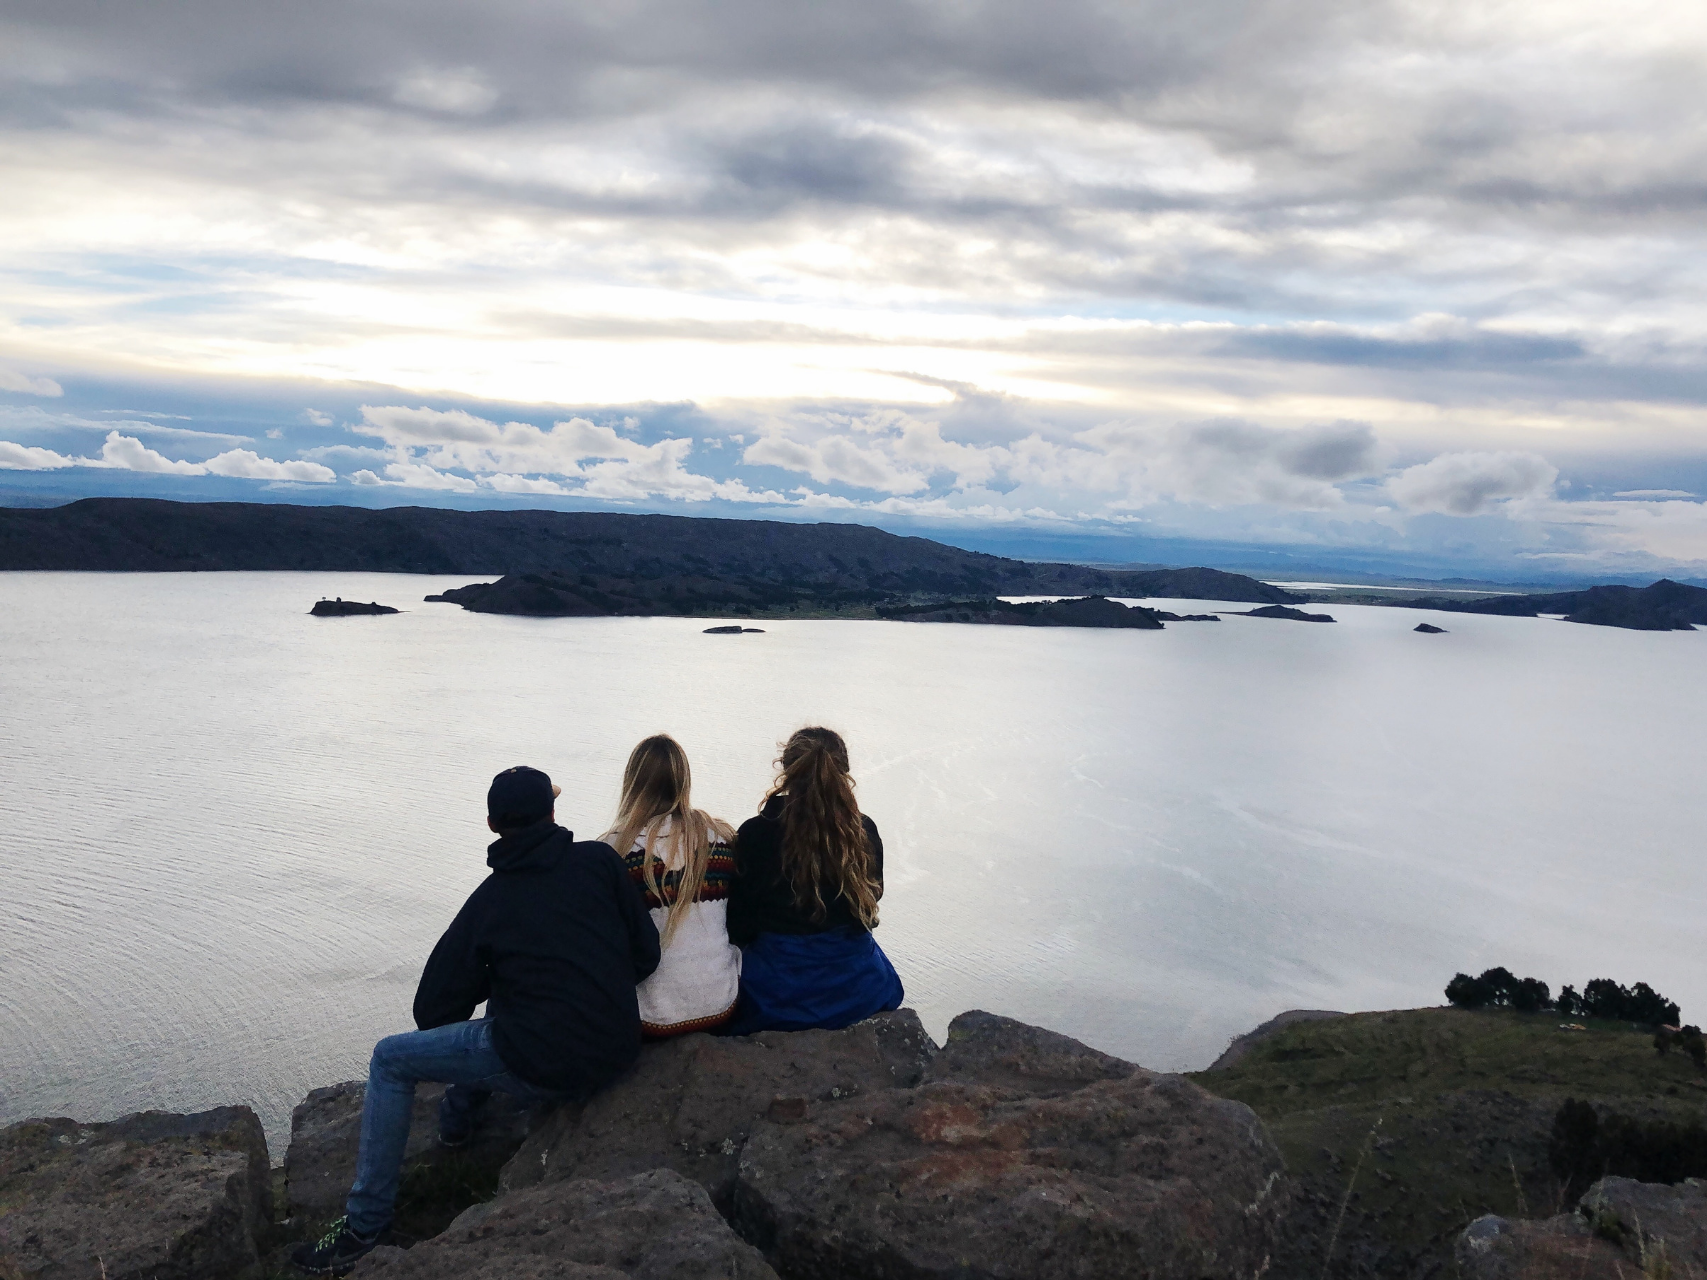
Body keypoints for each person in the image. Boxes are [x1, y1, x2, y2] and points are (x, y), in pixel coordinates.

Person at [291, 766, 659, 1276]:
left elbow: (433, 1013)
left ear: (492, 825)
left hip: (542, 1066)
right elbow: (646, 956)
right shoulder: (600, 862)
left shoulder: (490, 901)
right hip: (617, 1050)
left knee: (389, 1060)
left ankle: (363, 1228)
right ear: (553, 814)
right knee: (515, 1002)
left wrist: (495, 974)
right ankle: (458, 1122)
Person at [723, 726, 903, 1035]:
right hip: (858, 989)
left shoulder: (756, 833)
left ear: (787, 769)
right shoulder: (863, 831)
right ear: (843, 772)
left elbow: (737, 922)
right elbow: (875, 897)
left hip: (777, 994)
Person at [602, 734, 742, 1037]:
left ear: (633, 781)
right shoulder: (719, 838)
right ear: (683, 780)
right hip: (721, 1003)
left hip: (649, 1015)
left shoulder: (613, 850)